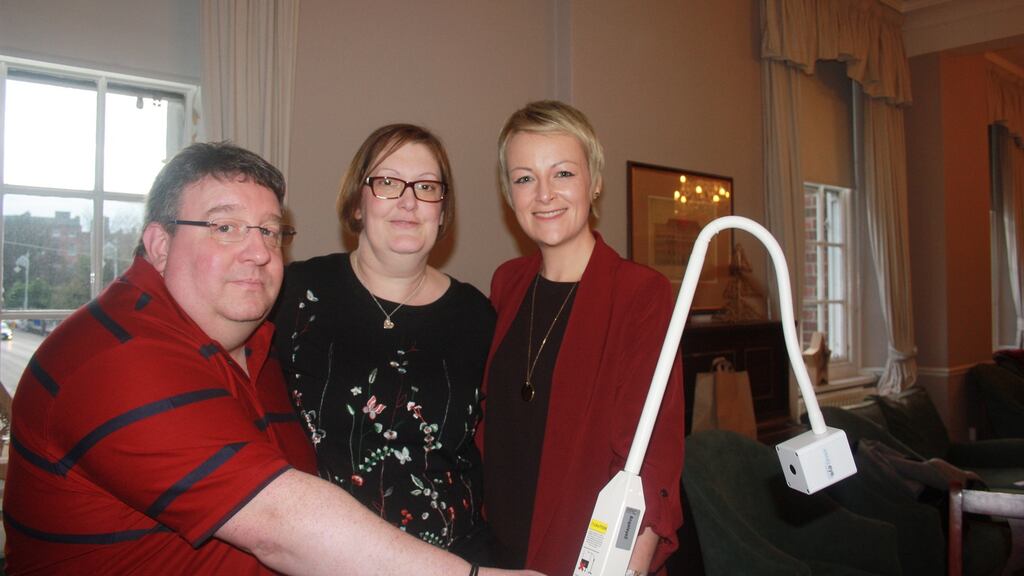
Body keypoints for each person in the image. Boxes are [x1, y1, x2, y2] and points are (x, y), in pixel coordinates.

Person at [2, 141, 540, 576]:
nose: (258, 250)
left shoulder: (257, 345)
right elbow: (281, 522)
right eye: (225, 226)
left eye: (268, 230)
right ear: (159, 245)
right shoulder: (117, 357)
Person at [480, 101, 685, 575]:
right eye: (524, 178)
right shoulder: (507, 283)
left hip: (583, 554)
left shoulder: (640, 294)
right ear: (508, 194)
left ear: (595, 182)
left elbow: (655, 456)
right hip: (498, 549)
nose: (544, 194)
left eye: (564, 173)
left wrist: (629, 569)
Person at [273, 124, 494, 559]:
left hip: (458, 559)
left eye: (427, 186)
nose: (409, 202)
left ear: (443, 211)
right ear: (358, 201)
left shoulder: (477, 314)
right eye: (388, 182)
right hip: (324, 560)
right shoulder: (294, 294)